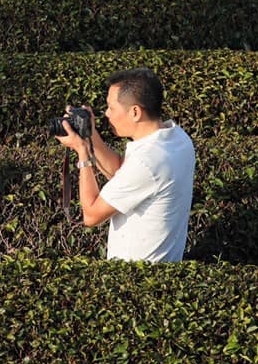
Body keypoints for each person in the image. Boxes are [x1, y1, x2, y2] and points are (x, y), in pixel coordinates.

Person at [56, 67, 195, 262]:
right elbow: (120, 173)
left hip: (137, 278)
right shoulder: (177, 138)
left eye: (111, 108)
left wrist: (83, 153)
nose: (106, 114)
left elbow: (91, 215)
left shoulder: (147, 161)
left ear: (135, 112)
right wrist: (89, 133)